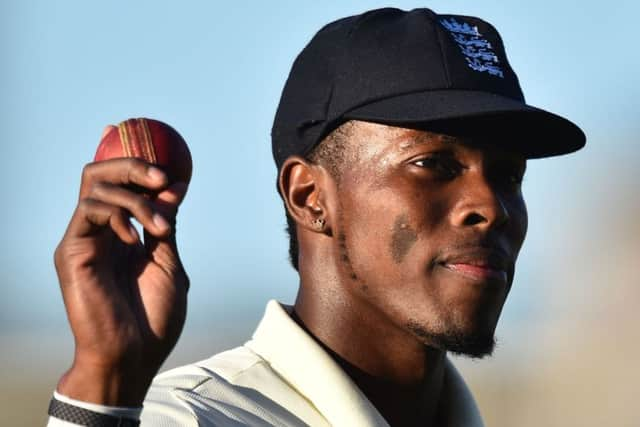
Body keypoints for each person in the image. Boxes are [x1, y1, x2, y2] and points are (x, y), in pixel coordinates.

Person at [47, 7, 585, 427]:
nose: (490, 207)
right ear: (309, 196)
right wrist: (105, 390)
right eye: (432, 164)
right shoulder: (193, 419)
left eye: (509, 175)